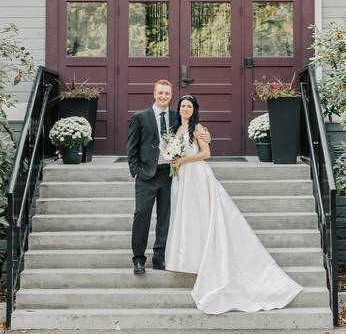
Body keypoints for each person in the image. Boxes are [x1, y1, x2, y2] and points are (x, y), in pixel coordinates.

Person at [165, 94, 302, 314]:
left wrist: (182, 160)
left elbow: (206, 153)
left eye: (189, 106)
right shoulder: (176, 129)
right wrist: (174, 159)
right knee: (189, 217)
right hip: (182, 177)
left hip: (198, 176)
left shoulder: (198, 128)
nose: (185, 109)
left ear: (194, 109)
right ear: (178, 109)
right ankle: (192, 256)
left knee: (203, 215)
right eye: (183, 106)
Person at [126, 80, 210, 275]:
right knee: (142, 215)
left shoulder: (176, 116)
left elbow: (193, 129)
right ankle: (138, 259)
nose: (163, 96)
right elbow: (131, 147)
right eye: (160, 93)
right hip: (146, 175)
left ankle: (159, 256)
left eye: (167, 94)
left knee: (166, 218)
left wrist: (207, 136)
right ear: (154, 94)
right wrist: (135, 170)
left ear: (171, 96)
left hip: (169, 175)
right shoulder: (140, 117)